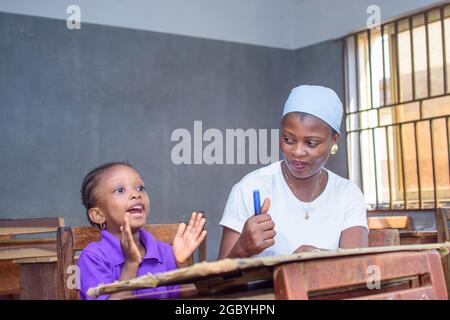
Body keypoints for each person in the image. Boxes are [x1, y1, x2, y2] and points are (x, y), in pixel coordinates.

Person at [218, 85, 368, 259]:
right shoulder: (250, 188)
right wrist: (242, 248)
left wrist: (313, 256)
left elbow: (358, 265)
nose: (297, 152)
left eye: (311, 143)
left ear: (334, 140)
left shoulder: (347, 194)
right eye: (289, 139)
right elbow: (218, 283)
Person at [78, 162, 207, 299]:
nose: (135, 194)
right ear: (98, 215)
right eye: (120, 190)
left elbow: (187, 298)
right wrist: (131, 264)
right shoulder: (93, 257)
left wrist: (183, 265)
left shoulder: (165, 252)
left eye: (140, 188)